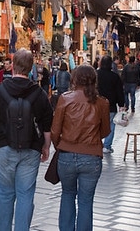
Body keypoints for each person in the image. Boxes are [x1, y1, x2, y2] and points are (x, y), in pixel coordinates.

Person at [0, 48, 53, 231]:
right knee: (25, 195)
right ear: (31, 68)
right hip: (31, 150)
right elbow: (47, 123)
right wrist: (46, 147)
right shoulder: (39, 94)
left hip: (6, 148)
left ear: (13, 67)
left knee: (6, 194)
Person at [51, 64, 110, 231]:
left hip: (67, 155)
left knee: (67, 195)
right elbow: (105, 131)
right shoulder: (102, 103)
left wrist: (59, 146)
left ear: (74, 79)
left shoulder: (65, 98)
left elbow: (55, 130)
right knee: (86, 201)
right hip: (91, 156)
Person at [96, 56, 125, 154]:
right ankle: (107, 146)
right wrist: (121, 104)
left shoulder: (96, 74)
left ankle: (97, 143)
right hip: (110, 106)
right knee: (110, 126)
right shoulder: (114, 76)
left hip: (96, 105)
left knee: (96, 124)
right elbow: (119, 91)